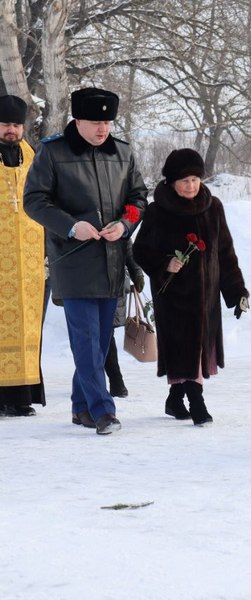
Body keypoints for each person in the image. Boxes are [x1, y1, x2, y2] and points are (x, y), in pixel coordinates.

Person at [24, 87, 148, 435]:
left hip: (112, 261)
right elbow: (34, 200)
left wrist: (125, 224)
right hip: (73, 260)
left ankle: (81, 408)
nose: (102, 129)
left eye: (107, 121)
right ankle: (103, 409)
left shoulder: (123, 153)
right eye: (95, 121)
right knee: (86, 338)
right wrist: (71, 226)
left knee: (99, 339)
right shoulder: (52, 152)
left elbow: (139, 197)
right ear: (77, 120)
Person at [133, 148, 249, 426]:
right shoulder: (157, 210)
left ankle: (175, 398)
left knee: (195, 348)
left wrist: (237, 292)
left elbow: (225, 253)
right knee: (182, 348)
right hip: (172, 296)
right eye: (185, 180)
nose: (191, 186)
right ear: (172, 181)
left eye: (196, 179)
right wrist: (165, 265)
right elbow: (141, 251)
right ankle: (196, 401)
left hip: (206, 298)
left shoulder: (213, 207)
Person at [0, 94, 46, 418]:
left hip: (29, 260)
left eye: (16, 125)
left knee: (28, 327)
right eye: (5, 124)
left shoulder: (34, 159)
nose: (11, 130)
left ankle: (22, 396)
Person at [104, 239, 145, 398]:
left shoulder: (116, 218)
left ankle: (115, 381)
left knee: (106, 334)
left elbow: (127, 246)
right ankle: (112, 381)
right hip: (90, 281)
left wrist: (137, 273)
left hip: (117, 280)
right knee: (96, 334)